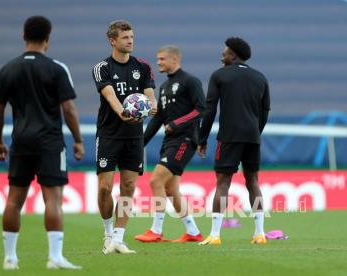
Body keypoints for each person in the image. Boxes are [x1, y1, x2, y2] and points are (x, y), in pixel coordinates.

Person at [0, 15, 85, 270]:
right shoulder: (56, 68)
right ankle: (55, 258)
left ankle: (10, 258)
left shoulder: (8, 69)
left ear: (24, 36)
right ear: (48, 39)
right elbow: (69, 108)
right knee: (53, 200)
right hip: (50, 143)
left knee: (14, 200)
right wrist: (78, 140)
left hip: (20, 142)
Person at [91, 20, 157, 254]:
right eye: (126, 37)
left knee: (128, 186)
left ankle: (118, 238)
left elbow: (150, 95)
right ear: (113, 40)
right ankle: (108, 232)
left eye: (132, 36)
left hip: (133, 137)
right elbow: (110, 96)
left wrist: (151, 106)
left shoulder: (143, 66)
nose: (131, 40)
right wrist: (123, 112)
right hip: (109, 134)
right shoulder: (102, 68)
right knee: (104, 188)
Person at [197, 37, 271, 245]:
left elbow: (209, 109)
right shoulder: (260, 77)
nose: (222, 56)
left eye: (225, 53)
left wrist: (201, 138)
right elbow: (265, 111)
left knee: (223, 182)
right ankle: (259, 234)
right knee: (253, 182)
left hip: (229, 137)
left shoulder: (219, 76)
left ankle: (215, 235)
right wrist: (255, 132)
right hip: (252, 137)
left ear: (233, 55)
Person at [133, 45, 204, 243]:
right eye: (158, 59)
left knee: (156, 180)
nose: (158, 63)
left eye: (162, 59)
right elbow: (158, 119)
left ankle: (156, 231)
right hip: (170, 141)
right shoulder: (164, 87)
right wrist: (141, 143)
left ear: (174, 60)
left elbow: (201, 109)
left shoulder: (190, 81)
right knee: (171, 190)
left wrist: (177, 123)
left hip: (185, 140)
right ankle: (193, 232)